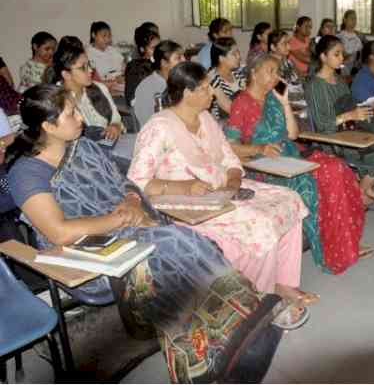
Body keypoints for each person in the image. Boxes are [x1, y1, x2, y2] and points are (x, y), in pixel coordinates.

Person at [6, 84, 288, 381]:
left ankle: (238, 325)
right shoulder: (26, 173)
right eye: (71, 113)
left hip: (125, 227)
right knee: (172, 246)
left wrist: (130, 200)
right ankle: (206, 355)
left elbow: (125, 183)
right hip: (83, 254)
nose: (81, 118)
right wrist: (122, 218)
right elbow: (59, 232)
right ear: (48, 126)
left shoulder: (84, 147)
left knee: (190, 240)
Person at [128, 62, 318, 322]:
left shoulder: (206, 120)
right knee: (260, 223)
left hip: (222, 190)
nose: (212, 93)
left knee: (288, 200)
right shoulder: (158, 128)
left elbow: (230, 159)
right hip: (185, 203)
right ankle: (257, 305)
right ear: (187, 93)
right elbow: (137, 182)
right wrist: (183, 186)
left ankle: (282, 284)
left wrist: (232, 181)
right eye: (206, 89)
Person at [227, 55, 370, 273]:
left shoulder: (274, 98)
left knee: (337, 168)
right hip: (263, 165)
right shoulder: (241, 103)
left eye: (277, 72)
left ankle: (346, 244)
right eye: (270, 71)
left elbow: (293, 135)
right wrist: (259, 149)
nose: (276, 77)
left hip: (291, 156)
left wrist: (284, 103)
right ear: (254, 73)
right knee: (310, 182)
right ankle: (329, 253)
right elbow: (230, 146)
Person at [306, 36, 374, 208]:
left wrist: (365, 106)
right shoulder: (315, 86)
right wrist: (349, 115)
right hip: (333, 141)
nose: (342, 58)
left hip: (351, 133)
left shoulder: (340, 81)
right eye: (336, 54)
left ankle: (362, 190)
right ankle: (362, 192)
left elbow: (349, 106)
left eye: (342, 54)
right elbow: (321, 125)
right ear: (323, 57)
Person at [51, 36, 123, 143]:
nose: (90, 70)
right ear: (66, 74)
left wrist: (115, 126)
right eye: (82, 68)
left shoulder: (99, 88)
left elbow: (116, 118)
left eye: (89, 65)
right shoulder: (58, 101)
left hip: (109, 146)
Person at [132, 40, 185, 127]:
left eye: (183, 56)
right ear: (164, 63)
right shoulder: (147, 87)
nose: (184, 60)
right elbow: (148, 121)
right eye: (178, 58)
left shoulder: (182, 81)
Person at [208, 37, 246, 121]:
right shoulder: (211, 79)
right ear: (221, 58)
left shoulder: (237, 74)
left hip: (242, 118)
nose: (239, 57)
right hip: (223, 124)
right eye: (234, 54)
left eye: (238, 52)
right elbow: (229, 108)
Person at [124, 26, 160, 106]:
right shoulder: (134, 67)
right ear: (142, 49)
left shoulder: (160, 63)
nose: (158, 51)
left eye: (159, 47)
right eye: (153, 48)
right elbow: (131, 99)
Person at [87, 21, 125, 85]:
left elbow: (124, 67)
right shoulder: (88, 54)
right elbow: (93, 81)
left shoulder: (112, 50)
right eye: (104, 36)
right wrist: (114, 81)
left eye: (109, 36)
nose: (107, 39)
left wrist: (123, 76)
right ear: (93, 35)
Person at [337, 10, 367, 76]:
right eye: (351, 18)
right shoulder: (339, 36)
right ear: (345, 20)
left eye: (355, 19)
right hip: (344, 64)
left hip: (358, 64)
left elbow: (365, 50)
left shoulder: (360, 35)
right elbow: (340, 54)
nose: (354, 21)